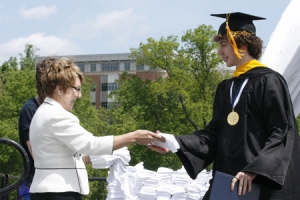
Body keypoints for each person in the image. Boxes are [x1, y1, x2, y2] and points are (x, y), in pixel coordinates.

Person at [148, 12, 300, 200]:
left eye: (223, 45)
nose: (219, 52)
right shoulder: (226, 88)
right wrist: (176, 142)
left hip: (259, 183)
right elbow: (213, 133)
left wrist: (255, 170)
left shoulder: (269, 81)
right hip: (227, 181)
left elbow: (282, 132)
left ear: (241, 44)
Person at [29, 57, 164, 200]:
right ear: (59, 88)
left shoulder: (43, 111)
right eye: (76, 89)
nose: (79, 95)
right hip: (59, 193)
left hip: (47, 190)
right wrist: (134, 137)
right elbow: (91, 144)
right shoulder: (57, 115)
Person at [18, 57, 56, 200]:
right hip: (33, 185)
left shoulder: (55, 109)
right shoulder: (30, 109)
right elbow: (37, 154)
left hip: (51, 185)